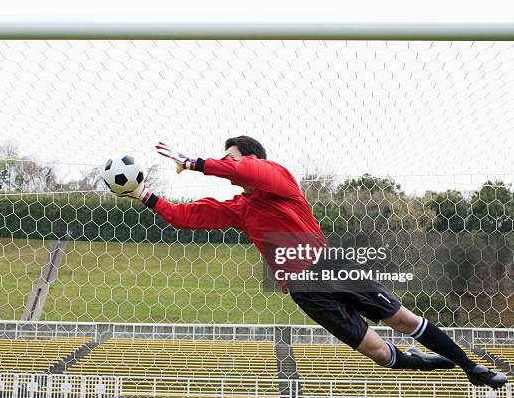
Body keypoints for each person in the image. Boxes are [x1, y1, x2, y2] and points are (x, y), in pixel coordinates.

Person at [111, 135, 507, 389]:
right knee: (377, 351)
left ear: (251, 159)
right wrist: (146, 196)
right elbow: (188, 217)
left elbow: (247, 169)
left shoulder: (279, 180)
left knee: (402, 320)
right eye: (222, 159)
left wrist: (196, 162)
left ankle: (472, 368)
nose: (225, 162)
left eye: (230, 157)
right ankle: (420, 365)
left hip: (330, 266)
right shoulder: (239, 208)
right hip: (303, 289)